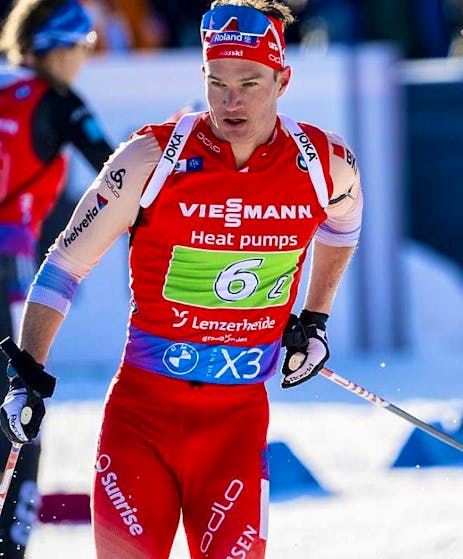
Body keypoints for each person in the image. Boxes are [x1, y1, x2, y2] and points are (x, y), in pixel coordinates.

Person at [0, 0, 363, 557]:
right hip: (140, 424)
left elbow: (343, 224)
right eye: (217, 82)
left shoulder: (324, 163)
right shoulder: (151, 157)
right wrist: (26, 372)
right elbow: (65, 264)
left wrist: (313, 318)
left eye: (249, 82)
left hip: (237, 431)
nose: (230, 99)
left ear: (282, 79)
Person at [0, 0, 113, 555]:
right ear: (60, 48)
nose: (85, 59)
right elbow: (116, 169)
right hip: (5, 271)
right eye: (85, 46)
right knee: (20, 414)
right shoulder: (57, 100)